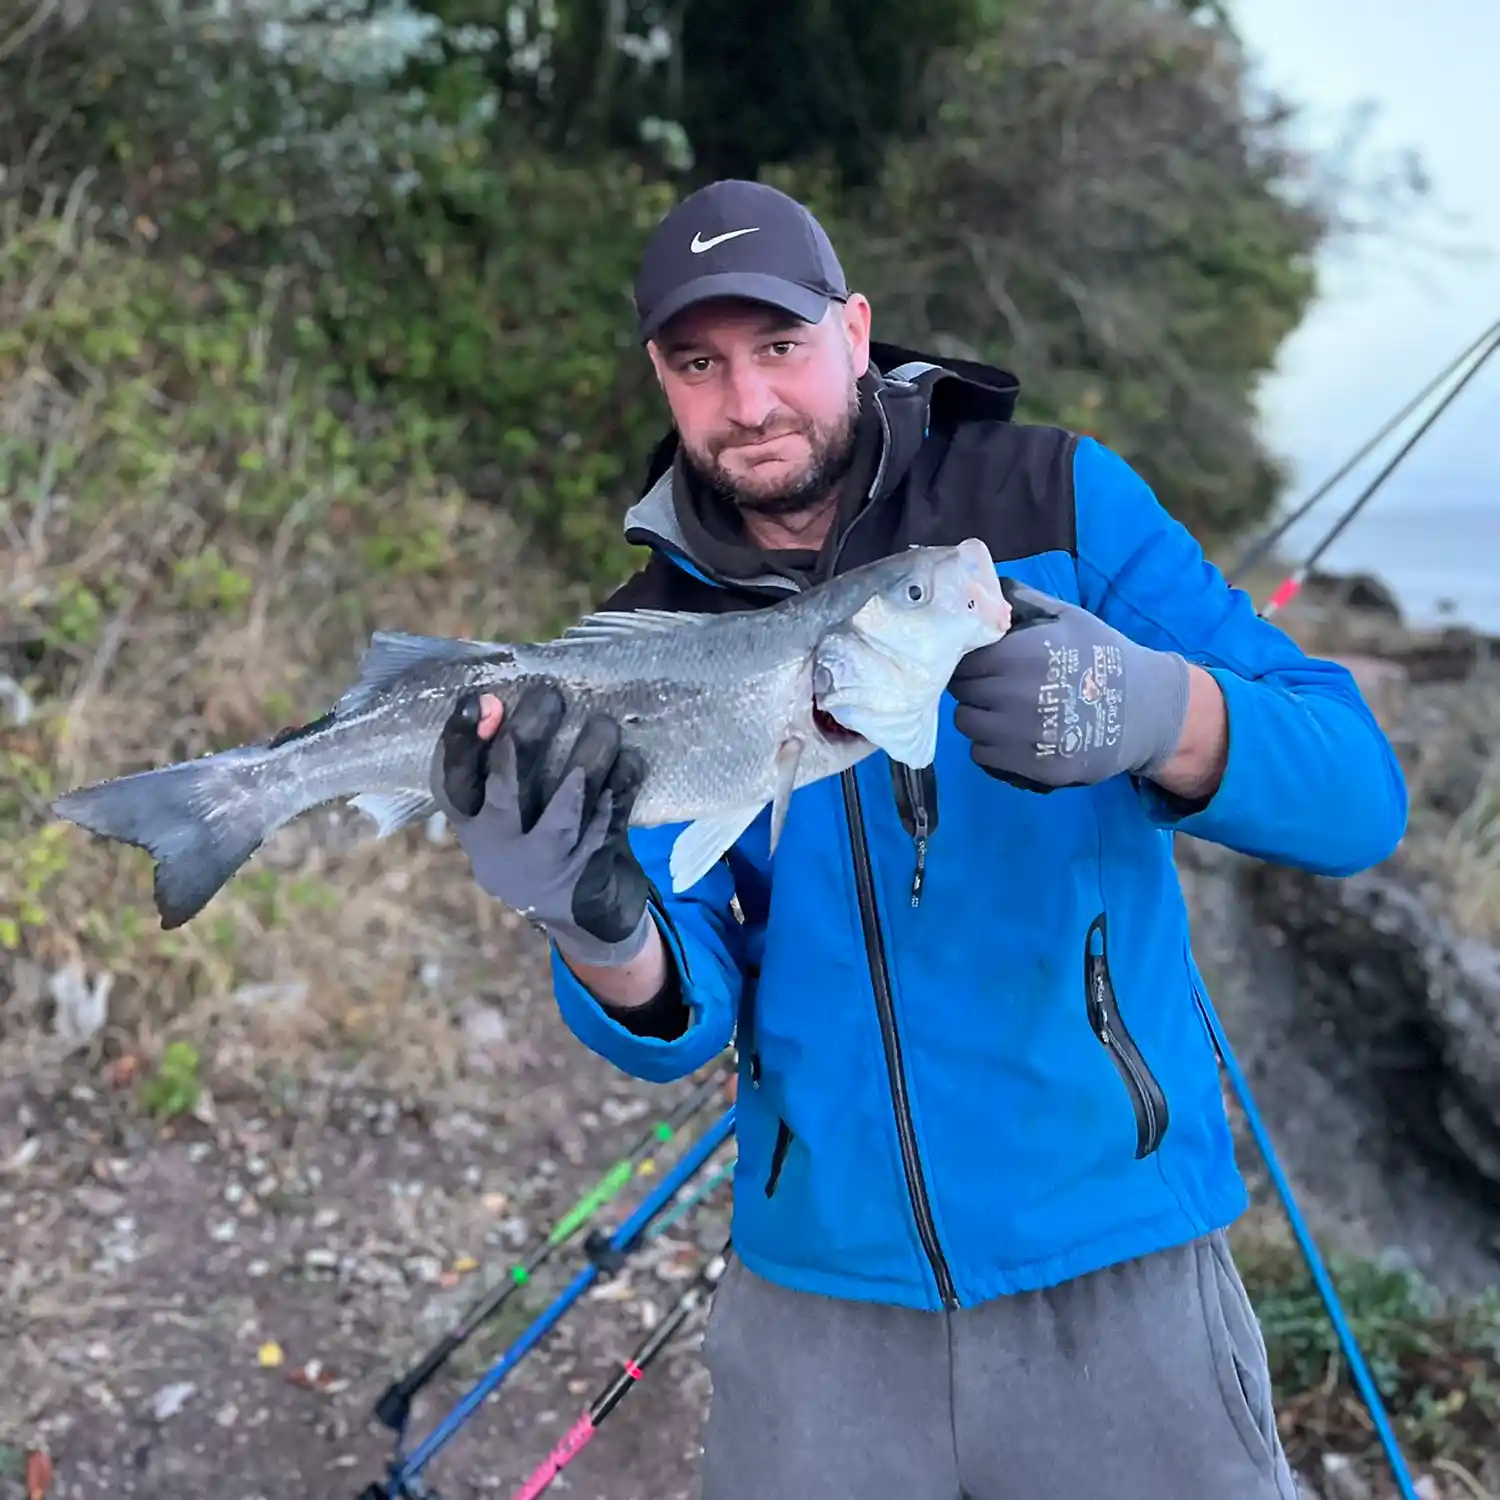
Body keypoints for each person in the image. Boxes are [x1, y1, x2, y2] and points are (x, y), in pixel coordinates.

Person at [433, 180, 1408, 1499]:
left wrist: (1161, 710)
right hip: (818, 1305)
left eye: (779, 346)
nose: (750, 402)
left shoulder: (1056, 500)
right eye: (699, 364)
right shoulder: (645, 636)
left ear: (855, 329)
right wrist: (586, 917)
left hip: (1116, 1266)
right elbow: (687, 1006)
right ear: (661, 377)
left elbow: (1358, 795)